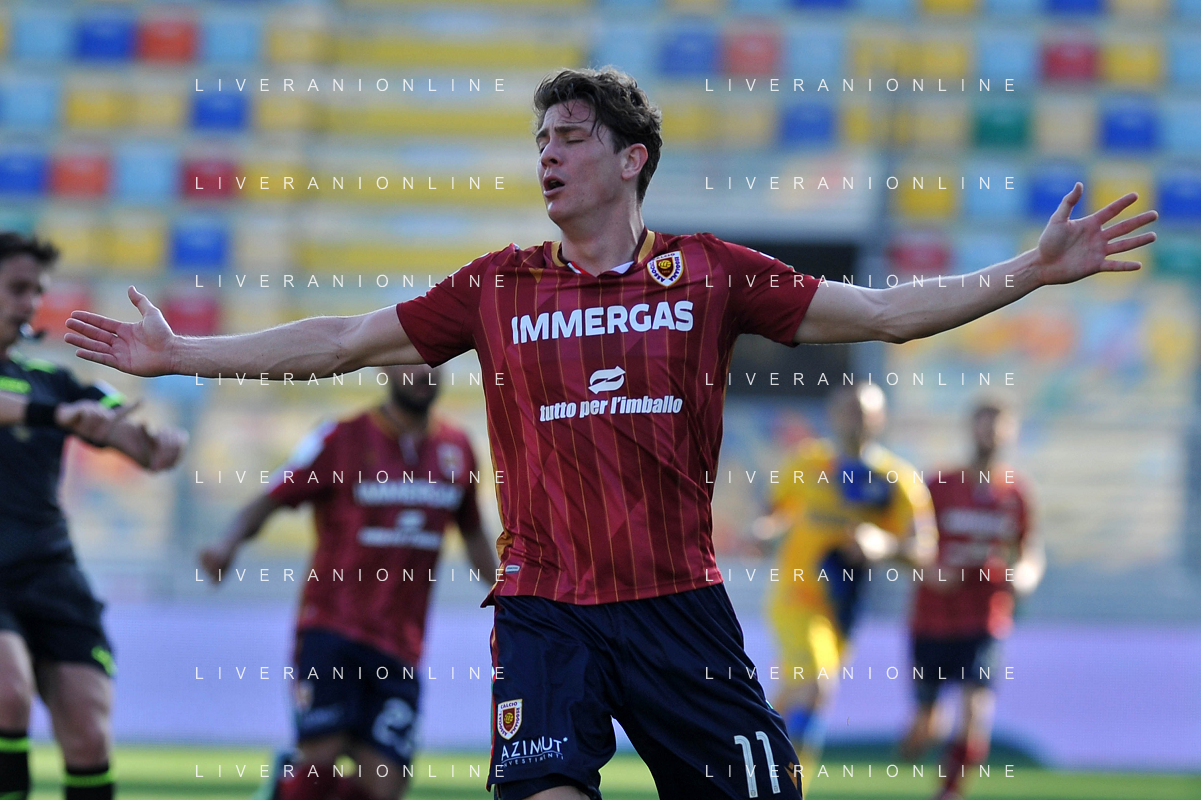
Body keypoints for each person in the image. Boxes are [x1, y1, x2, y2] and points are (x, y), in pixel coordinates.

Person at [63, 67, 1155, 800]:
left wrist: (1027, 272)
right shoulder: (495, 287)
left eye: (571, 137)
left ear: (632, 159)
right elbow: (344, 340)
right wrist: (181, 353)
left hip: (677, 607)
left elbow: (882, 313)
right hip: (547, 610)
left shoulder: (711, 273)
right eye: (539, 139)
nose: (547, 154)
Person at [199, 364, 498, 800]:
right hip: (332, 627)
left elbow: (472, 533)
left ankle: (283, 786)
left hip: (401, 643)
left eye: (433, 363)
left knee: (385, 785)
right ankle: (291, 783)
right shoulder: (341, 438)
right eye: (410, 361)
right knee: (319, 762)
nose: (423, 373)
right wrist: (227, 543)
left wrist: (509, 592)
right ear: (384, 367)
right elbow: (272, 497)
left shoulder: (457, 449)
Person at [0, 232, 187, 800]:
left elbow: (121, 427)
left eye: (38, 291)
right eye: (17, 288)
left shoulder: (54, 380)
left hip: (50, 572)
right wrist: (57, 416)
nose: (31, 302)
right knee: (7, 695)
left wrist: (156, 443)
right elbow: (48, 413)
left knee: (88, 733)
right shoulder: (50, 400)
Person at [756, 384, 936, 790]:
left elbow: (925, 549)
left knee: (795, 698)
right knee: (817, 685)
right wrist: (763, 533)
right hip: (796, 597)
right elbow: (774, 513)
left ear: (880, 419)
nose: (855, 421)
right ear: (833, 415)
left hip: (842, 608)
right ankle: (789, 787)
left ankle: (754, 766)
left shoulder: (896, 479)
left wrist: (883, 544)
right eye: (848, 411)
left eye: (864, 413)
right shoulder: (807, 461)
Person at [899, 400, 1044, 800]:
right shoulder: (938, 486)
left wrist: (1025, 576)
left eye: (999, 427)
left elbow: (1029, 551)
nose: (991, 435)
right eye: (984, 425)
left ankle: (949, 792)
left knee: (976, 713)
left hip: (985, 620)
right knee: (928, 726)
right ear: (970, 430)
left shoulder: (1016, 493)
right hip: (932, 619)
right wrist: (933, 572)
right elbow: (911, 545)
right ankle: (916, 737)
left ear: (1011, 433)